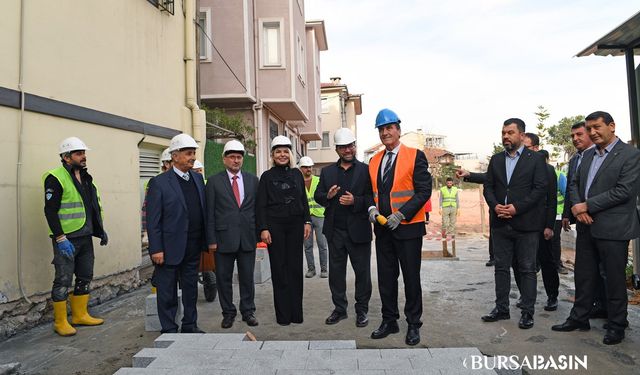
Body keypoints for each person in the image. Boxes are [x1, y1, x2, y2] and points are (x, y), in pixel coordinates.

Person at [552, 111, 640, 345]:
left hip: (614, 227)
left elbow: (625, 191)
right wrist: (579, 210)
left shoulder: (630, 155)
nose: (592, 132)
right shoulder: (588, 156)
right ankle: (579, 318)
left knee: (613, 279)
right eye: (589, 128)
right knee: (584, 275)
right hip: (585, 226)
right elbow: (574, 184)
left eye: (596, 127)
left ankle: (617, 325)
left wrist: (587, 205)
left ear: (611, 126)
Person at [367, 109, 431, 346]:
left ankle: (414, 324)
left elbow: (424, 190)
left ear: (398, 130)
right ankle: (389, 320)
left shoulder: (415, 156)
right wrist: (371, 210)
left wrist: (402, 214)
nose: (385, 132)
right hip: (383, 229)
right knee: (386, 277)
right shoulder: (374, 160)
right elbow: (369, 193)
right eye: (381, 129)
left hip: (408, 229)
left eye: (389, 128)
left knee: (411, 278)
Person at [481, 118, 547, 330]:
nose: (505, 136)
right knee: (501, 268)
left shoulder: (535, 159)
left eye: (510, 132)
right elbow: (488, 187)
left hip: (526, 225)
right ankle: (501, 309)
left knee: (527, 269)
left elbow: (539, 190)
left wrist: (517, 208)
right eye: (503, 133)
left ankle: (527, 312)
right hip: (500, 224)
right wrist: (495, 206)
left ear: (521, 135)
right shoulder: (496, 159)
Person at [44, 137, 108, 337]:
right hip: (67, 239)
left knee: (84, 276)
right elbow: (50, 211)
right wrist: (60, 237)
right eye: (79, 153)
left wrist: (100, 230)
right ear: (66, 157)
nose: (84, 156)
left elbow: (92, 206)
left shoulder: (87, 177)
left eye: (84, 153)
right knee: (63, 279)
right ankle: (60, 321)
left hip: (86, 236)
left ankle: (80, 315)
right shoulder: (55, 177)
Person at [146, 133, 207, 333]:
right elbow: (153, 220)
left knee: (190, 289)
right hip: (168, 248)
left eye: (193, 153)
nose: (192, 157)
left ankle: (190, 326)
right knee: (167, 292)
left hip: (192, 246)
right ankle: (169, 329)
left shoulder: (198, 179)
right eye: (188, 153)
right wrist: (156, 249)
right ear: (175, 156)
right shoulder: (159, 183)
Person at [314, 128, 373, 328]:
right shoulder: (327, 172)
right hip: (335, 231)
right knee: (336, 274)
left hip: (359, 231)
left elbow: (372, 199)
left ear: (355, 146)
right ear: (337, 149)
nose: (348, 150)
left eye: (351, 146)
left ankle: (362, 310)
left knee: (362, 273)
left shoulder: (366, 170)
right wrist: (328, 196)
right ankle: (340, 309)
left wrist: (355, 201)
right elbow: (318, 196)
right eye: (343, 147)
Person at [257, 136, 312, 325]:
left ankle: (296, 314)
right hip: (275, 227)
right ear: (273, 155)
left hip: (296, 226)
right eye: (278, 151)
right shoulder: (266, 177)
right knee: (279, 269)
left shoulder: (297, 175)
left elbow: (303, 201)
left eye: (285, 151)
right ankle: (283, 316)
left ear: (289, 154)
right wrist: (263, 228)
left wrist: (307, 221)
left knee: (295, 269)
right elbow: (261, 205)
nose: (282, 155)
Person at [206, 140, 259, 329]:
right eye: (232, 157)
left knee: (247, 278)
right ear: (224, 159)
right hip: (222, 240)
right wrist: (211, 240)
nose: (236, 160)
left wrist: (259, 235)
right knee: (223, 278)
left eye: (239, 157)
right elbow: (209, 213)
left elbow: (257, 210)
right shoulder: (213, 182)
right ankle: (228, 313)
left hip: (247, 238)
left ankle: (248, 311)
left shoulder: (253, 180)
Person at [562, 121, 607, 317]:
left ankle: (607, 309)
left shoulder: (600, 156)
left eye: (580, 134)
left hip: (603, 220)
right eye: (573, 136)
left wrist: (586, 208)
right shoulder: (575, 160)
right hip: (581, 220)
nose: (575, 139)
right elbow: (572, 188)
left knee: (604, 270)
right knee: (585, 269)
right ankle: (589, 308)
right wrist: (568, 213)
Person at [521, 138, 559, 312]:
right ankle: (526, 296)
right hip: (522, 225)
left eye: (526, 147)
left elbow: (551, 201)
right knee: (523, 263)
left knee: (547, 260)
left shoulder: (548, 170)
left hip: (542, 224)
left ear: (535, 148)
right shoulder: (517, 169)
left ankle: (552, 296)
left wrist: (549, 226)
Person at [455, 169, 494, 266]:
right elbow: (487, 177)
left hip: (520, 211)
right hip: (497, 210)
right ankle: (493, 257)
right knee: (494, 235)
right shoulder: (499, 161)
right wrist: (468, 174)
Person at [299, 156, 329, 278]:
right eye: (305, 167)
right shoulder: (298, 182)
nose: (308, 169)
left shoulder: (318, 180)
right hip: (305, 218)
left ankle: (324, 269)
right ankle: (311, 269)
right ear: (300, 168)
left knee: (322, 244)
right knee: (307, 245)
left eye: (310, 167)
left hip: (319, 215)